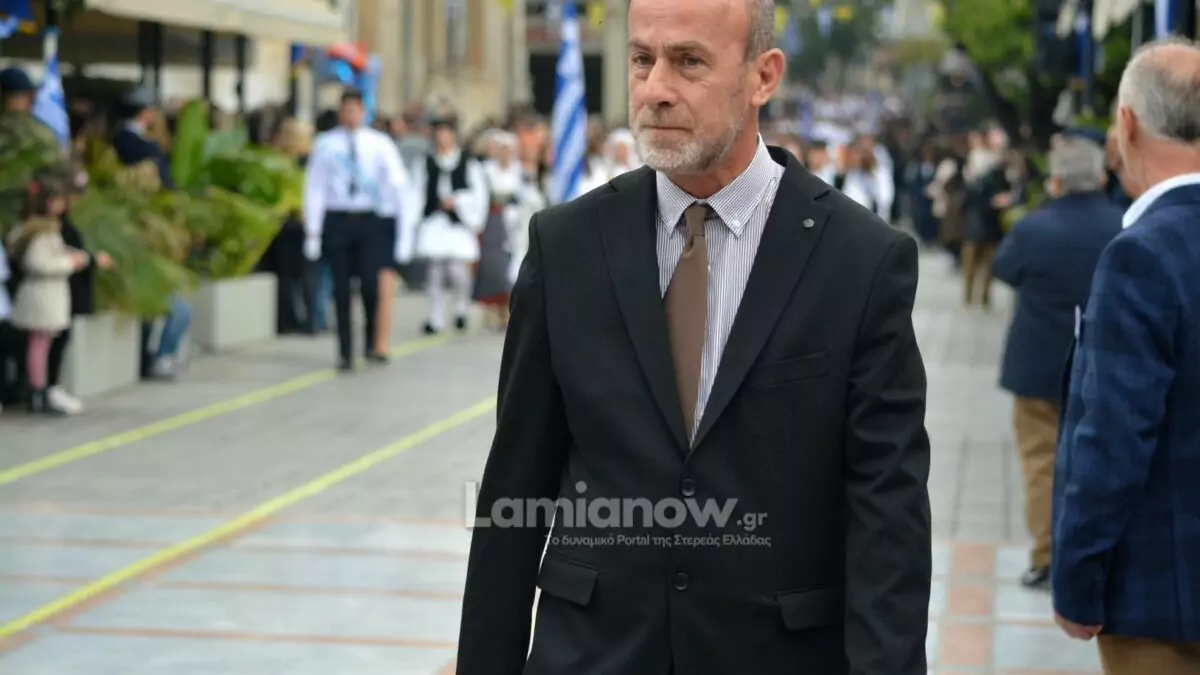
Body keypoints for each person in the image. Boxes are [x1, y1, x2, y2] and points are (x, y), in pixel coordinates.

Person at [455, 0, 932, 673]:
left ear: (763, 76)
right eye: (641, 59)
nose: (655, 88)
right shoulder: (566, 247)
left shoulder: (860, 260)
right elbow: (515, 486)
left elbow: (889, 514)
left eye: (688, 62)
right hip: (592, 655)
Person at [1052, 38, 1200, 674]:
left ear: (1128, 125)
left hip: (1163, 604)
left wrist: (1076, 580)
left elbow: (1113, 437)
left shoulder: (1142, 253)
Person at [990, 137, 1123, 591]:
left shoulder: (1034, 228)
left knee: (1041, 463)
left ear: (1056, 181)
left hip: (1037, 367)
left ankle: (1047, 558)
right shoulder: (1123, 225)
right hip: (1104, 368)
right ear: (1102, 178)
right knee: (1098, 462)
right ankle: (1096, 557)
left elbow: (1004, 269)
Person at [303, 89, 411, 370]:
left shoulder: (379, 143)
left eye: (355, 110)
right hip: (338, 219)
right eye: (346, 110)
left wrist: (402, 229)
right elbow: (315, 187)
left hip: (368, 220)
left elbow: (397, 183)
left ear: (363, 112)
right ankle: (345, 351)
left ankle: (371, 342)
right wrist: (313, 231)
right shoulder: (327, 144)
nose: (351, 115)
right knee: (340, 288)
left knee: (370, 286)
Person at [398, 113, 488, 335]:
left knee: (458, 271)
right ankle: (435, 317)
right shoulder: (425, 163)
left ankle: (461, 309)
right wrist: (413, 223)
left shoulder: (468, 163)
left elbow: (478, 194)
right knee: (434, 272)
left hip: (458, 222)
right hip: (435, 221)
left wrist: (458, 201)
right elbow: (416, 194)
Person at [5, 178, 89, 415]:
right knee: (39, 346)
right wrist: (69, 263)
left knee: (39, 345)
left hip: (42, 295)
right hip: (43, 296)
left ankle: (38, 390)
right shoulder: (42, 231)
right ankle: (38, 391)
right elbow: (39, 262)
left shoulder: (30, 228)